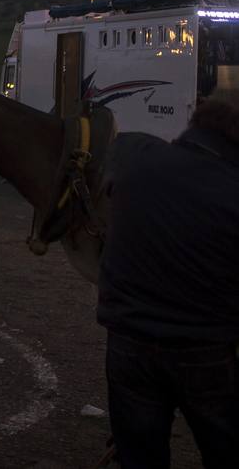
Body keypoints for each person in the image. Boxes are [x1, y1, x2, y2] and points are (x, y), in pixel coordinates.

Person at [96, 98, 239, 468]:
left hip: (128, 343)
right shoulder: (230, 186)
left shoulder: (137, 162)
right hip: (203, 351)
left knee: (140, 457)